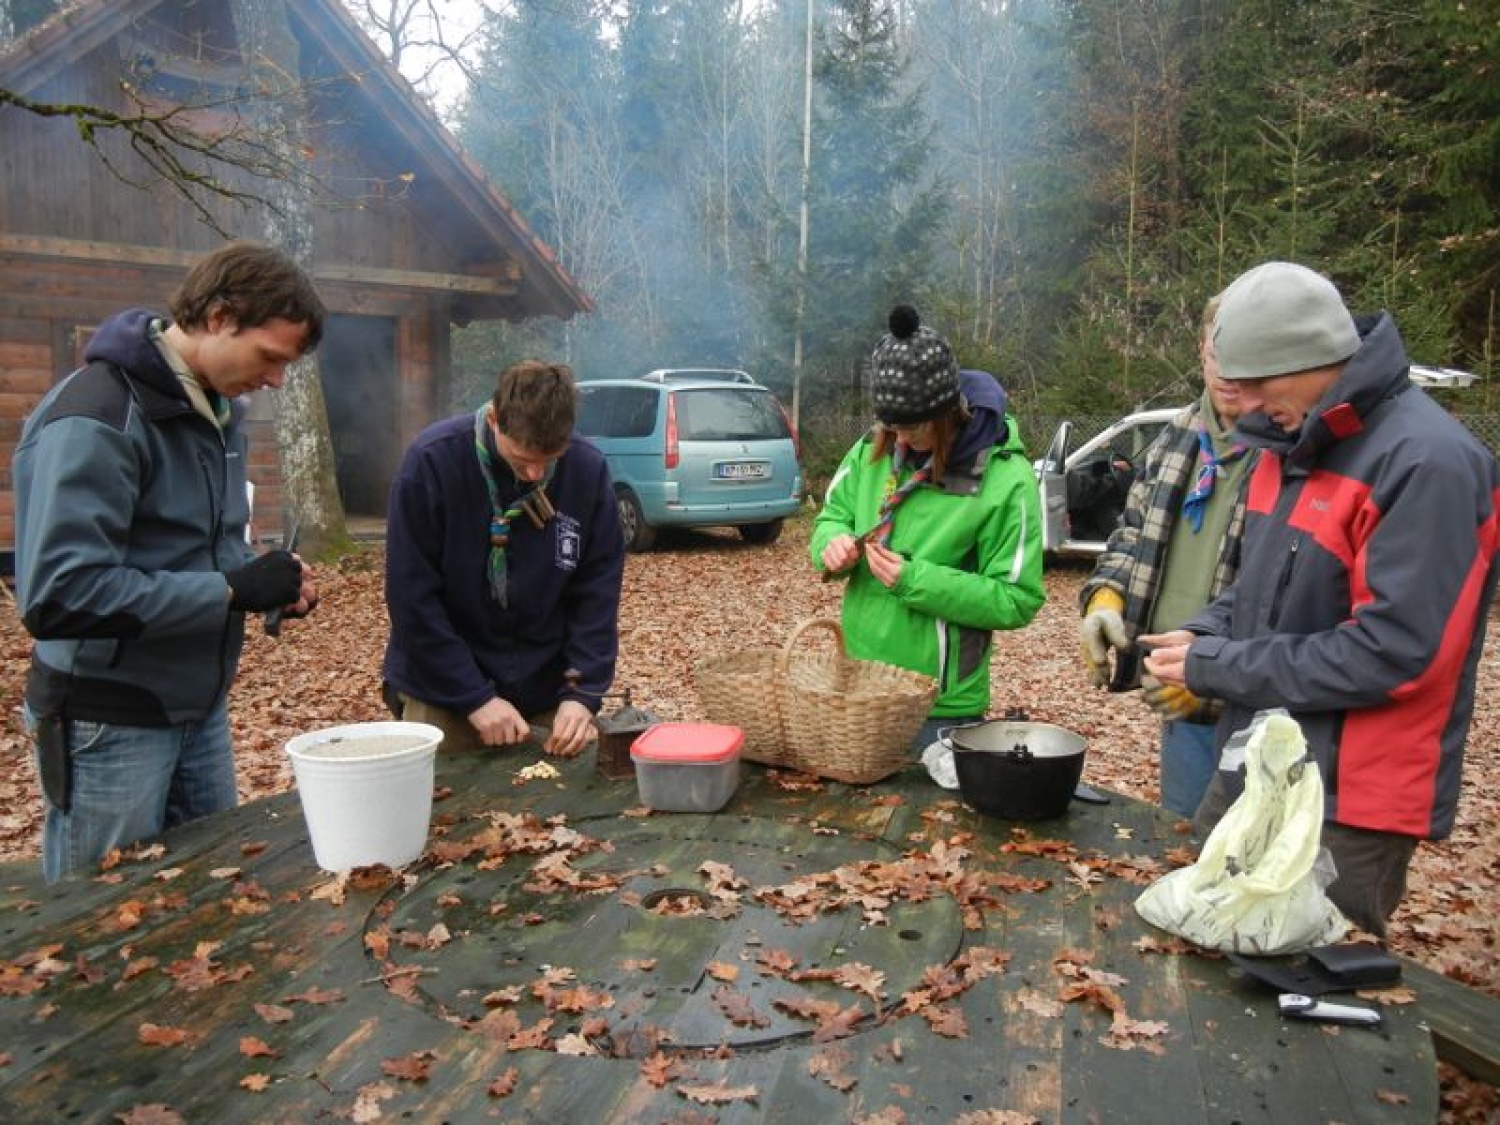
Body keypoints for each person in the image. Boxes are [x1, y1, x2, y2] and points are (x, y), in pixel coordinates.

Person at [1141, 261, 1500, 938]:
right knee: (1205, 948)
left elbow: (1392, 654)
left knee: (1304, 994)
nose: (1242, 405)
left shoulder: (1429, 464)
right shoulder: (1290, 440)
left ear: (1309, 357)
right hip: (1260, 754)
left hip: (1352, 795)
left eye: (1255, 385)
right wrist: (1202, 634)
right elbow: (1258, 588)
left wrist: (1215, 667)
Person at [14, 240, 325, 883]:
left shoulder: (213, 410)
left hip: (196, 709)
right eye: (270, 357)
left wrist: (265, 579)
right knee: (99, 932)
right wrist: (230, 591)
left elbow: (195, 546)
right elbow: (58, 595)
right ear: (218, 316)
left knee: (205, 908)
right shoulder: (98, 416)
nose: (275, 380)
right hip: (108, 719)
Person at [812, 305, 1045, 751]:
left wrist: (915, 579)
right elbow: (831, 517)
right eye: (890, 425)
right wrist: (831, 545)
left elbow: (1017, 599)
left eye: (913, 427)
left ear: (947, 413)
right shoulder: (869, 451)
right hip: (861, 687)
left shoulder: (1005, 479)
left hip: (939, 707)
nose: (899, 440)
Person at [382, 359, 625, 759]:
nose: (533, 474)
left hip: (548, 691)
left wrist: (581, 694)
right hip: (445, 693)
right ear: (494, 420)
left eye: (550, 459)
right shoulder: (431, 462)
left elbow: (595, 596)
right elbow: (412, 600)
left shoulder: (587, 470)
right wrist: (474, 697)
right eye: (521, 457)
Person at [1079, 295, 1252, 816]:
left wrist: (1214, 685)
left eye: (1246, 360)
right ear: (1202, 349)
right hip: (1177, 690)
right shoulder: (1179, 433)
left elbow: (1291, 597)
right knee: (1186, 848)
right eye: (1219, 355)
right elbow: (1133, 531)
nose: (1229, 375)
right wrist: (1105, 597)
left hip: (1256, 706)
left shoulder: (1291, 449)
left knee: (1249, 868)